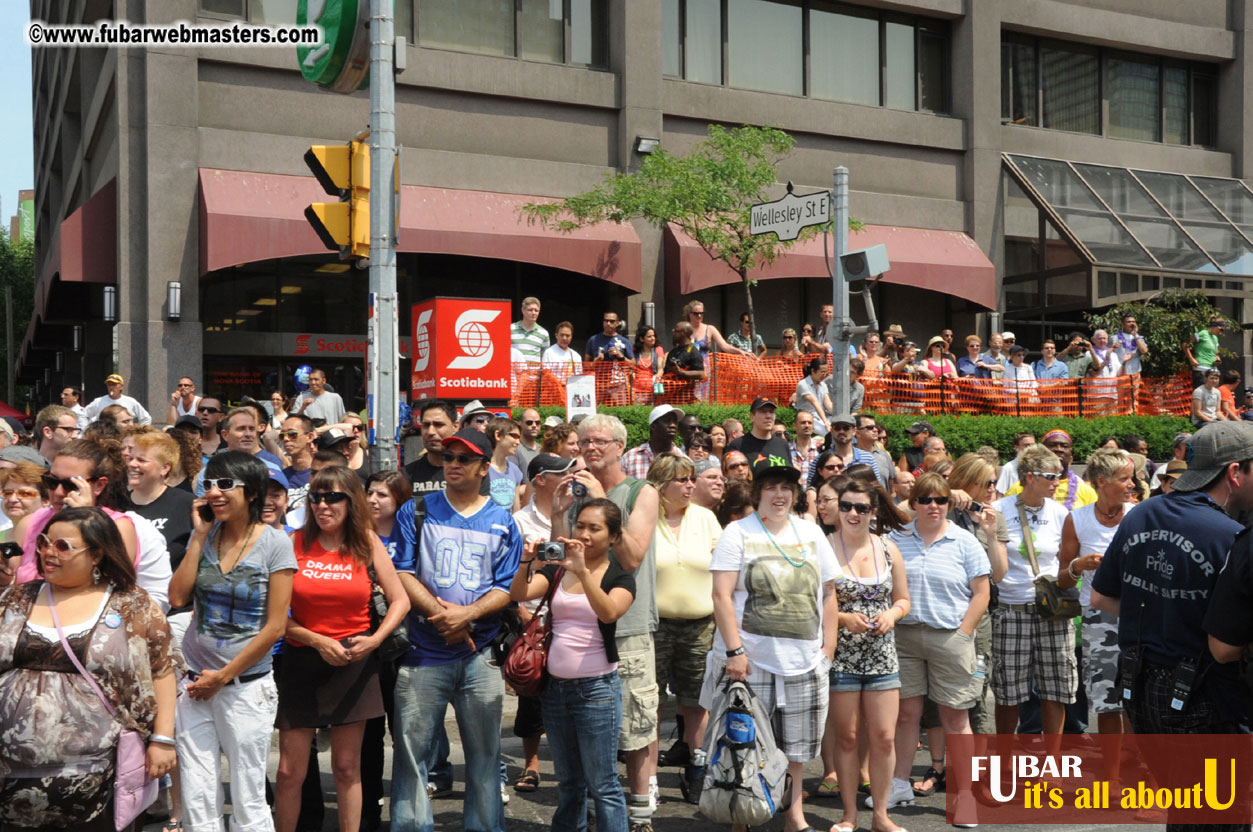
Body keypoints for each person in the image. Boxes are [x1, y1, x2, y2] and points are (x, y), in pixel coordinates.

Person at [1094, 423, 1253, 832]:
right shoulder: (1232, 537)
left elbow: (1101, 597)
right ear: (1235, 473)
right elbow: (1225, 644)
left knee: (1185, 812)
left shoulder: (1142, 513)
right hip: (1202, 698)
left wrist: (1162, 613)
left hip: (1142, 690)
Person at [0, 506, 177, 830]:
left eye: (62, 546)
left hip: (96, 780)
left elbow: (162, 671)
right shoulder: (17, 598)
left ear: (96, 554)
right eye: (43, 542)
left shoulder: (131, 605)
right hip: (10, 779)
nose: (48, 553)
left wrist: (163, 739)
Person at [702, 441, 839, 832]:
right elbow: (721, 596)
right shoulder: (737, 533)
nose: (779, 495)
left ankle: (793, 817)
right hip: (752, 660)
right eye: (770, 487)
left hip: (805, 661)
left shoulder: (811, 533)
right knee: (742, 744)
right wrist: (735, 650)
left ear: (795, 493)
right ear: (757, 491)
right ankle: (739, 817)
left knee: (797, 749)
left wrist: (827, 649)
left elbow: (829, 593)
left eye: (785, 487)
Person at [390, 428, 522, 832]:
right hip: (423, 652)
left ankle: (485, 826)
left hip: (479, 653)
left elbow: (505, 586)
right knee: (412, 757)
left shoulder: (503, 521)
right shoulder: (416, 510)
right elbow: (402, 572)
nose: (453, 465)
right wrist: (442, 616)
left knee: (485, 756)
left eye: (464, 459)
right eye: (448, 457)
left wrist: (467, 616)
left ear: (484, 468)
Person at [276, 467, 409, 832]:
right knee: (289, 771)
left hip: (354, 660)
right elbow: (274, 616)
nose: (322, 505)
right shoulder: (294, 542)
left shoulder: (366, 541)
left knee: (348, 768)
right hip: (303, 658)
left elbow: (400, 600)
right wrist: (317, 640)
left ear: (351, 501)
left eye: (333, 497)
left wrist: (376, 639)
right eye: (316, 497)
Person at [170, 451, 297, 832]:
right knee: (197, 795)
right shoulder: (205, 536)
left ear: (252, 492)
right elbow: (177, 598)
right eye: (209, 484)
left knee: (248, 797)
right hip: (194, 683)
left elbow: (275, 627)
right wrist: (198, 536)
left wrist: (222, 677)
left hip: (245, 688)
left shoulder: (275, 544)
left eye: (226, 484)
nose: (214, 493)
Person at [550, 414, 660, 832]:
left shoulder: (641, 491)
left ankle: (639, 813)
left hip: (626, 624)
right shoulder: (578, 494)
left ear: (620, 446)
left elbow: (631, 557)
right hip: (577, 625)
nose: (589, 448)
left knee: (633, 728)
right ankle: (594, 812)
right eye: (583, 442)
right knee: (584, 735)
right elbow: (563, 557)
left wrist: (605, 498)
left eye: (599, 441)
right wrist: (561, 512)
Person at [510, 499, 636, 832]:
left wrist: (582, 571)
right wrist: (527, 559)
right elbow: (519, 592)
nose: (583, 534)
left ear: (612, 537)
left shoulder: (620, 576)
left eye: (594, 528)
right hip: (554, 689)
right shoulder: (557, 569)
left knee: (603, 783)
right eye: (580, 525)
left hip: (597, 691)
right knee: (568, 782)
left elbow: (608, 612)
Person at [880, 473, 989, 818]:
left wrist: (963, 633)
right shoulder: (896, 538)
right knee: (906, 716)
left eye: (940, 500)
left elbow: (982, 593)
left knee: (956, 717)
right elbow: (888, 509)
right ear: (913, 504)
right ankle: (899, 784)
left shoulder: (964, 541)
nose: (933, 506)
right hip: (906, 636)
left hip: (950, 636)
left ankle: (964, 795)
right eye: (925, 499)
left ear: (949, 504)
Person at [816, 477, 910, 832]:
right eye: (846, 506)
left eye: (861, 508)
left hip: (882, 655)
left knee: (884, 736)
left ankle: (881, 815)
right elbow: (813, 604)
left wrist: (892, 614)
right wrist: (842, 619)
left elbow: (903, 599)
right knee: (848, 737)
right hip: (841, 655)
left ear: (873, 512)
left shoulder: (888, 548)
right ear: (836, 509)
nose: (853, 513)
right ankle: (849, 815)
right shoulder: (823, 547)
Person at [12, 439, 172, 611]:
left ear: (99, 485)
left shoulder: (119, 527)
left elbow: (111, 586)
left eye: (69, 485)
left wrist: (85, 520)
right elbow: (11, 582)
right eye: (51, 482)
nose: (58, 492)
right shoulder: (31, 523)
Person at [1056, 448, 1136, 773]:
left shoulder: (1139, 515)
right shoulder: (1078, 520)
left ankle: (1139, 768)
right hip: (1098, 621)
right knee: (1106, 701)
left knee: (1136, 698)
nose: (1132, 484)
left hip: (1137, 618)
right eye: (1125, 478)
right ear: (1102, 482)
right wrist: (1078, 565)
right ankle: (1114, 773)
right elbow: (1062, 579)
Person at [647, 453, 721, 803]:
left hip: (700, 626)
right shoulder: (644, 518)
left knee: (696, 702)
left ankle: (697, 766)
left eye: (693, 478)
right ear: (661, 485)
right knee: (651, 702)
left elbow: (724, 572)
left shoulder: (706, 519)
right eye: (683, 479)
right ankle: (647, 778)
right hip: (654, 625)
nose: (691, 485)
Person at [991, 445, 1077, 736]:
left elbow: (1064, 559)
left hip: (1052, 611)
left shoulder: (1060, 512)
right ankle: (1004, 758)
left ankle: (1051, 764)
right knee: (1008, 694)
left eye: (1060, 476)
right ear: (1030, 477)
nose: (1057, 483)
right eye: (1051, 477)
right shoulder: (1000, 510)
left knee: (1056, 690)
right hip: (1012, 609)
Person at [1004, 429, 1097, 509]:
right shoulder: (1021, 487)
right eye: (1052, 445)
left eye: (1064, 446)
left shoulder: (1086, 491)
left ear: (1071, 455)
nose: (1059, 449)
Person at [621, 405, 685, 479]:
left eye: (675, 421)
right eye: (667, 421)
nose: (673, 425)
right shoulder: (630, 458)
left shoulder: (683, 459)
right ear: (653, 426)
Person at [682, 300, 754, 363]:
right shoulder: (683, 329)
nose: (699, 315)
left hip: (704, 371)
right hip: (687, 371)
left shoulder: (710, 329)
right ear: (689, 314)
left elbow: (724, 346)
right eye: (696, 313)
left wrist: (740, 351)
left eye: (702, 313)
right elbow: (679, 350)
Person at [83, 373, 153, 426]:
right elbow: (83, 415)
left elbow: (146, 418)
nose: (111, 387)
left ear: (121, 387)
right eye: (109, 385)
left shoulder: (130, 401)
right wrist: (86, 431)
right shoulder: (98, 401)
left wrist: (137, 434)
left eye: (114, 385)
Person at [486, 417, 525, 512]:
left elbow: (516, 509)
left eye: (519, 438)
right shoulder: (482, 468)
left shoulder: (515, 470)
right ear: (498, 435)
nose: (518, 442)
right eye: (514, 436)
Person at [725, 397, 778, 462]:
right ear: (752, 417)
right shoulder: (738, 445)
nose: (768, 416)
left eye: (771, 412)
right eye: (763, 412)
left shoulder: (782, 445)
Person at [795, 358, 834, 436]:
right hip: (808, 418)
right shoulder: (803, 384)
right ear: (813, 371)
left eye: (826, 373)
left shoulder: (823, 384)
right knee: (827, 432)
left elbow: (828, 404)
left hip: (821, 417)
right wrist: (826, 423)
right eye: (822, 372)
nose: (825, 375)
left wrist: (839, 415)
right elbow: (815, 404)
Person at [1185, 316, 1225, 388]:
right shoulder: (1202, 333)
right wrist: (1191, 359)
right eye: (1221, 330)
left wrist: (1218, 359)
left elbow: (1216, 354)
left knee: (1212, 396)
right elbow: (1185, 344)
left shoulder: (1215, 338)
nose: (1221, 333)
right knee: (1201, 394)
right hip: (1202, 369)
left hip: (1213, 370)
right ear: (1214, 326)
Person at [632, 326, 667, 404]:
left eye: (653, 336)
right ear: (641, 339)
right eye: (649, 336)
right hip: (636, 388)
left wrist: (657, 377)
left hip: (652, 387)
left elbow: (660, 368)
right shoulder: (635, 351)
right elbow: (632, 366)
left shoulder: (658, 349)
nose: (653, 338)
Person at [511, 296, 550, 363]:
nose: (533, 313)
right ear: (523, 310)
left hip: (534, 372)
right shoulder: (510, 329)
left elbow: (544, 357)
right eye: (530, 310)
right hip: (514, 372)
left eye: (536, 310)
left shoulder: (544, 333)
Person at [789, 411, 820, 483]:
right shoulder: (786, 450)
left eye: (810, 423)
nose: (807, 425)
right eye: (803, 422)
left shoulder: (820, 448)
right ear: (795, 425)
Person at [512, 408, 543, 474]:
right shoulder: (514, 449)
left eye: (537, 423)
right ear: (520, 423)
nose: (534, 425)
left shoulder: (543, 449)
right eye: (529, 422)